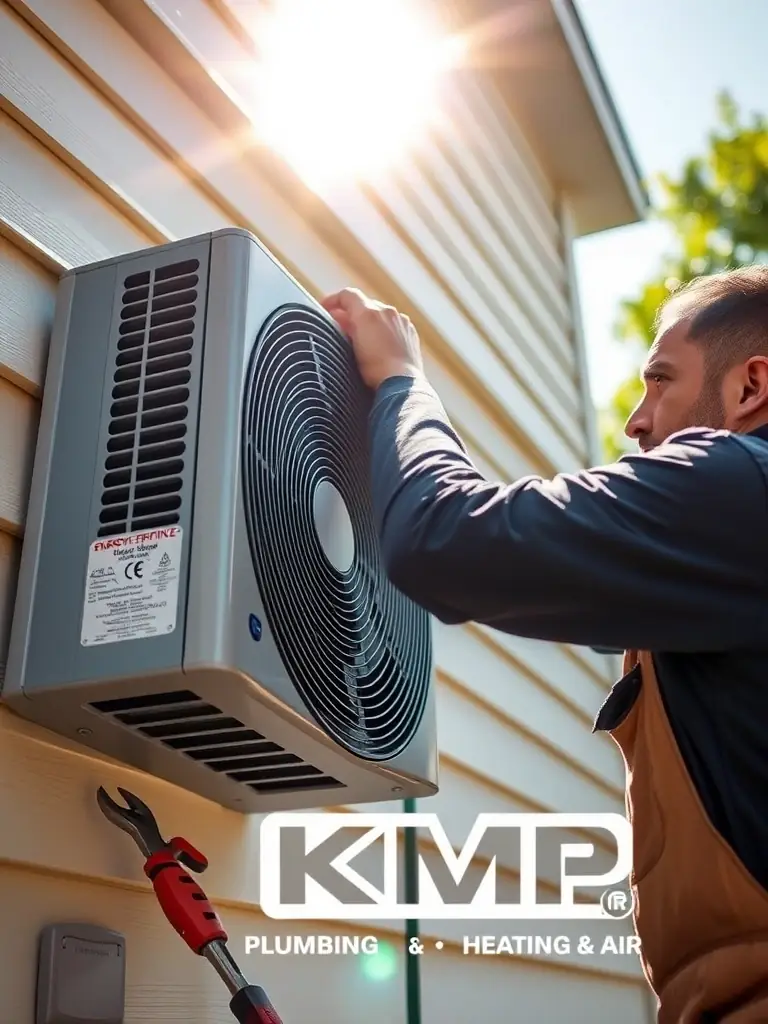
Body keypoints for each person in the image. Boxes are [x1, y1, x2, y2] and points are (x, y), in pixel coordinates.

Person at [320, 267, 768, 1024]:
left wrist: (400, 379)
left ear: (751, 385)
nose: (638, 418)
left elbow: (443, 536)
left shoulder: (740, 488)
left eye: (661, 380)